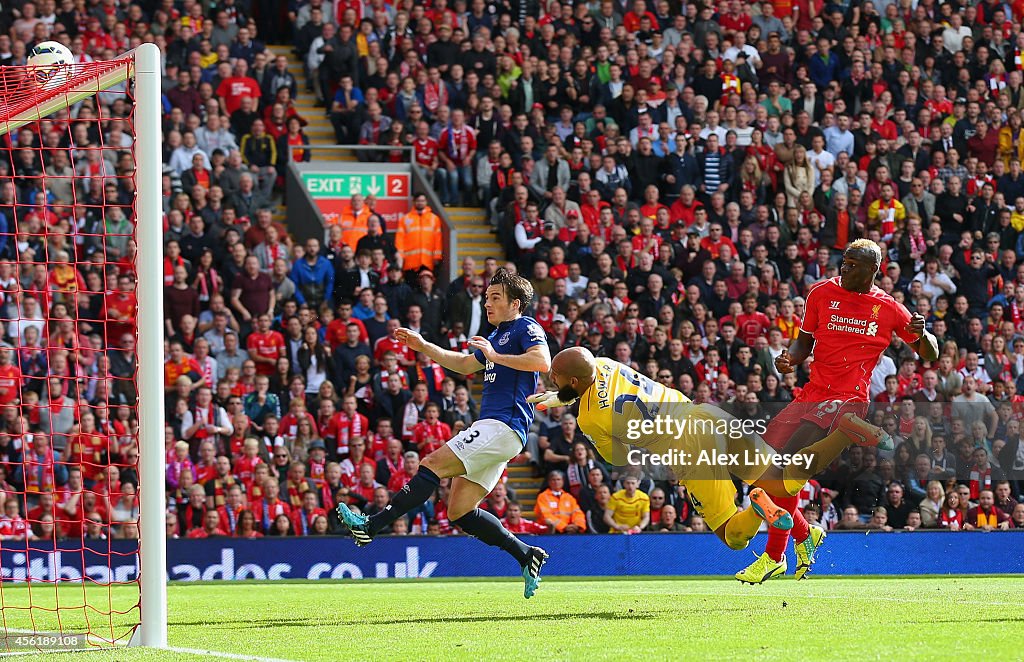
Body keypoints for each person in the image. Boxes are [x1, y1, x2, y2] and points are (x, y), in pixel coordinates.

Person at [529, 346, 892, 560]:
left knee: (733, 536)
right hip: (704, 413)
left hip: (686, 445)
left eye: (556, 379)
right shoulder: (605, 363)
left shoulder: (590, 417)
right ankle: (843, 433)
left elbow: (617, 459)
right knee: (781, 478)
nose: (554, 383)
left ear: (572, 383)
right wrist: (560, 396)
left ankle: (757, 504)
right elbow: (584, 380)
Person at [336, 269, 552, 598]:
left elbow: (542, 362)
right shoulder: (496, 336)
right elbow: (465, 365)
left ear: (515, 303)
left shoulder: (525, 327)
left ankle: (372, 526)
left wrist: (495, 357)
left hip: (503, 424)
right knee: (459, 512)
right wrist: (423, 346)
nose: (487, 303)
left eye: (495, 298)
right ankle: (526, 554)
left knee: (432, 463)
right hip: (499, 430)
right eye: (486, 297)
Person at [734, 239, 939, 583]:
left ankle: (773, 556)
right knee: (767, 470)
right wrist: (791, 358)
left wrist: (925, 333)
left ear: (873, 270)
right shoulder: (820, 293)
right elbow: (804, 342)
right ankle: (805, 534)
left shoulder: (889, 308)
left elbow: (929, 353)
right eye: (844, 261)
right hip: (811, 393)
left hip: (846, 399)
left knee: (786, 463)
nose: (844, 268)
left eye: (853, 264)